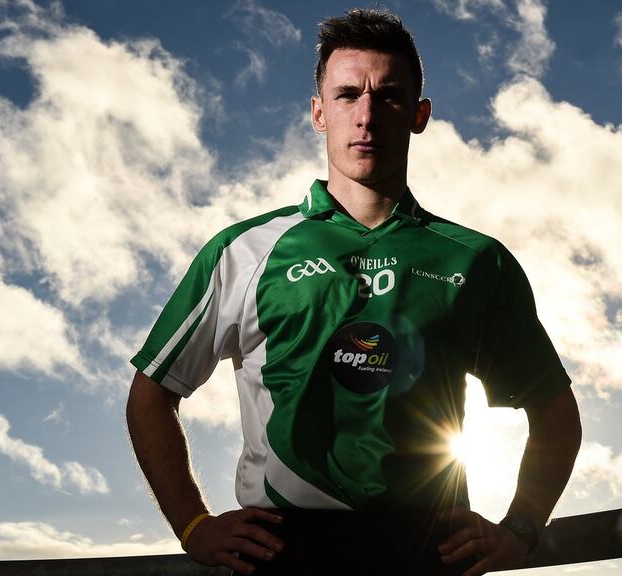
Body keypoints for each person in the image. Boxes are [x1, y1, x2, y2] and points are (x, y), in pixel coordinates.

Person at [126, 8, 581, 576]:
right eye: (346, 95)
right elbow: (152, 392)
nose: (366, 116)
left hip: (429, 551)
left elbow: (555, 411)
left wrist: (520, 527)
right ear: (319, 113)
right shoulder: (244, 250)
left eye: (388, 96)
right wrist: (193, 525)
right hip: (283, 550)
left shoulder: (474, 260)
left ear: (418, 115)